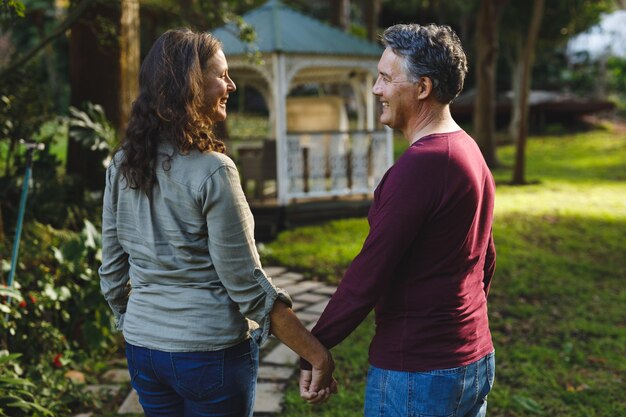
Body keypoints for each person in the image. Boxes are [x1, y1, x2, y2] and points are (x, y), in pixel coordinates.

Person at [99, 28, 335, 417]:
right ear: (190, 85)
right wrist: (317, 354)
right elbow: (247, 286)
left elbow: (111, 272)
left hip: (144, 352)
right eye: (221, 75)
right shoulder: (213, 172)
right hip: (209, 356)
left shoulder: (122, 164)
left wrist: (137, 321)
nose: (232, 85)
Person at [299, 23, 497, 416]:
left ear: (422, 88)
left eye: (387, 79)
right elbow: (485, 258)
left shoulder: (422, 165)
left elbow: (368, 274)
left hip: (419, 374)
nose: (376, 89)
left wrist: (313, 349)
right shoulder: (467, 149)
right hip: (472, 358)